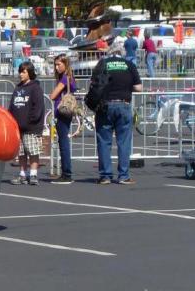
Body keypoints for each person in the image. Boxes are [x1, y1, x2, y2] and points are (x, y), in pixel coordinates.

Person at [91, 43, 142, 185]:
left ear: (110, 52)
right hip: (124, 104)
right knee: (124, 142)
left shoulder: (102, 64)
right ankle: (123, 175)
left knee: (104, 141)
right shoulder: (129, 64)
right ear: (122, 52)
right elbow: (138, 87)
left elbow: (93, 84)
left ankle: (105, 176)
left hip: (105, 105)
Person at [9, 62, 45, 185]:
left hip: (31, 128)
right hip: (18, 127)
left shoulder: (35, 88)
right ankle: (23, 174)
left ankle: (33, 174)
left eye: (24, 72)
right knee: (21, 153)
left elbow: (38, 107)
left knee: (33, 151)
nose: (21, 74)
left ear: (30, 73)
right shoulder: (18, 88)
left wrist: (31, 120)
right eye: (20, 71)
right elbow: (12, 106)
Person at [50, 54, 79, 184]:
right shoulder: (69, 77)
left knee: (63, 142)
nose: (56, 68)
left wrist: (55, 93)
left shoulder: (65, 78)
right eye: (55, 65)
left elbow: (53, 95)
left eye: (59, 65)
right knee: (63, 141)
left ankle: (66, 173)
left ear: (65, 64)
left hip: (62, 111)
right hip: (64, 112)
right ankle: (65, 171)